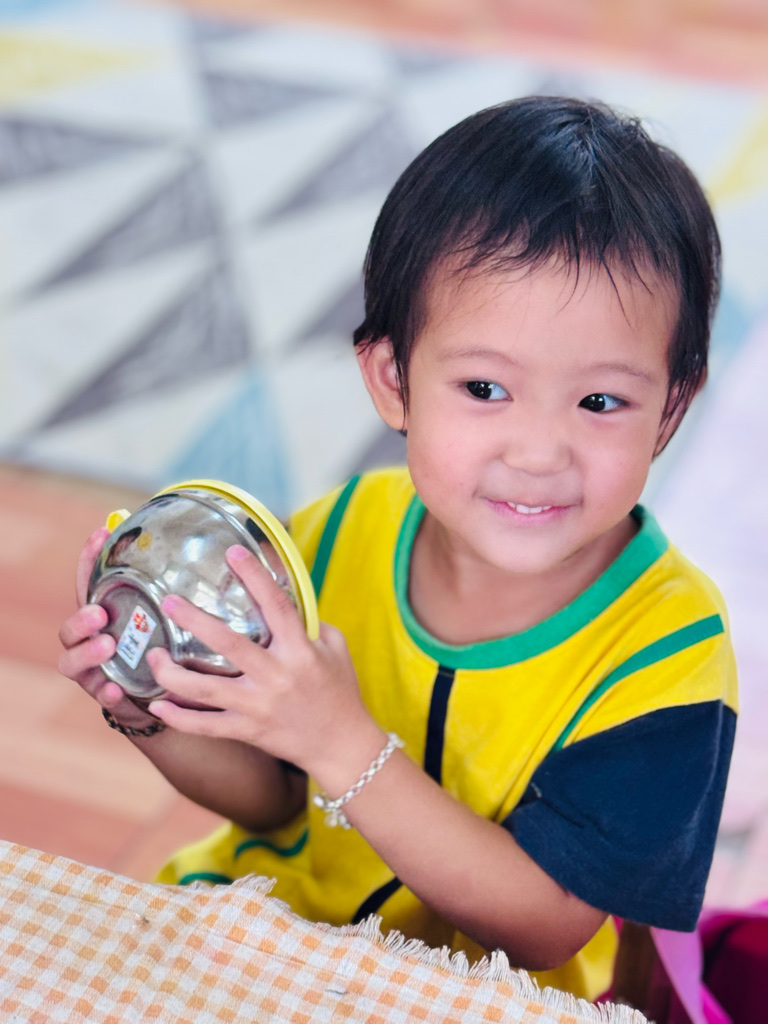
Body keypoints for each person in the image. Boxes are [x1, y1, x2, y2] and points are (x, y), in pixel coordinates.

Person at [59, 96, 738, 1001]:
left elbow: (544, 925)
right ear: (392, 380)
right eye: (485, 388)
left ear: (671, 409)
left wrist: (344, 743)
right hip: (270, 937)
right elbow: (274, 798)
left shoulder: (669, 657)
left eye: (600, 403)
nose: (539, 452)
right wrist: (149, 711)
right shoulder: (340, 530)